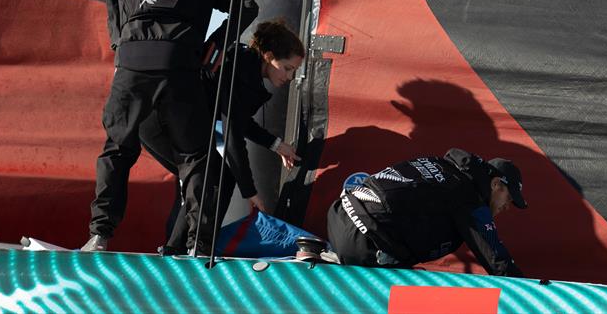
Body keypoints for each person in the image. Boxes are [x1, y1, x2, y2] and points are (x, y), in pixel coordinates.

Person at [81, 0, 258, 253]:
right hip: (181, 67)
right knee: (195, 158)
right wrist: (215, 46)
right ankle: (199, 246)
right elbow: (247, 4)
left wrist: (121, 47)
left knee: (117, 150)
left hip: (132, 67)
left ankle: (100, 235)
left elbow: (112, 7)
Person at [141, 20, 304, 255]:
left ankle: (179, 247)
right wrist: (250, 192)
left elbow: (237, 121)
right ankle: (193, 246)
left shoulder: (244, 67)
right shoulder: (241, 71)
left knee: (208, 176)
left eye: (294, 71)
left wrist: (277, 145)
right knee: (208, 174)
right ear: (268, 56)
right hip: (158, 120)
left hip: (162, 119)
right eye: (288, 68)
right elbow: (232, 137)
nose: (290, 76)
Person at [326, 148, 527, 276]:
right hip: (365, 241)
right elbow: (498, 262)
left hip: (339, 215)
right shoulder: (468, 195)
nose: (507, 207)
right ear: (496, 184)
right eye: (509, 199)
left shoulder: (441, 164)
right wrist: (533, 295)